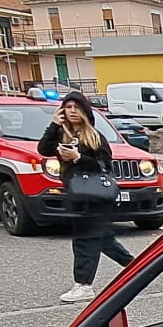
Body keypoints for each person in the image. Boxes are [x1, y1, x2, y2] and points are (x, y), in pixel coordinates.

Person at [38, 91, 132, 303]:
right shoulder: (62, 135)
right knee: (102, 239)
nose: (71, 112)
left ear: (84, 111)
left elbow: (105, 166)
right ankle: (138, 268)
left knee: (84, 239)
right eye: (67, 108)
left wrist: (78, 157)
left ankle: (83, 285)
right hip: (76, 193)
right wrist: (53, 125)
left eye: (75, 108)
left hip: (96, 195)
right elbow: (43, 149)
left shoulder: (95, 137)